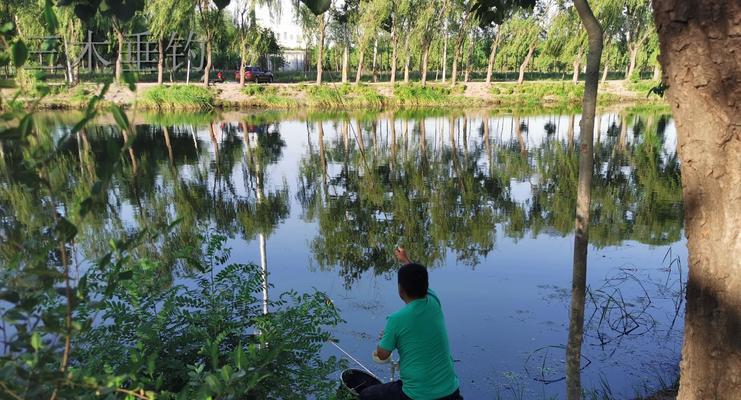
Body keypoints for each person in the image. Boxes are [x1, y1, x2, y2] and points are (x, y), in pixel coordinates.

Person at [360, 247, 462, 400]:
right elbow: (417, 278)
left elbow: (382, 355)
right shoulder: (433, 301)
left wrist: (385, 339)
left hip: (418, 395)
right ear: (426, 286)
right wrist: (405, 260)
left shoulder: (397, 319)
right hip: (450, 390)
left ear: (400, 290)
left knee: (366, 395)